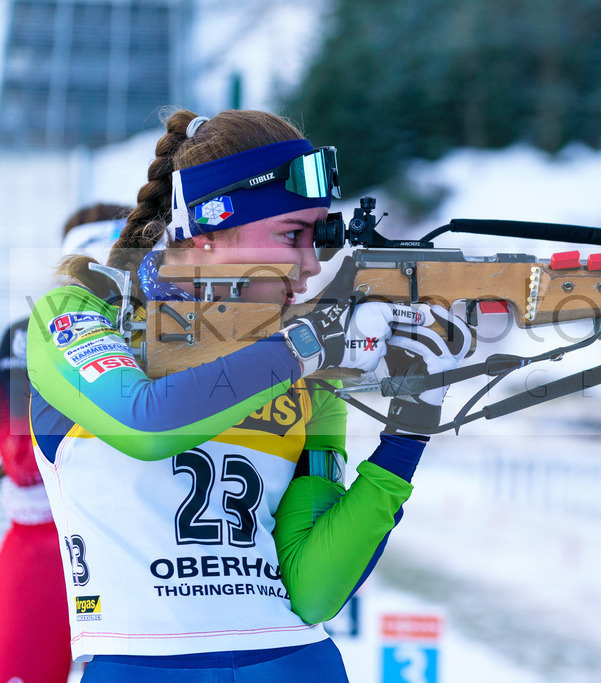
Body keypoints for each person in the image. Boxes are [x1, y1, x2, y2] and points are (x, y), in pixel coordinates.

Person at [27, 109, 470, 680]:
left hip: (295, 661)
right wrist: (311, 345)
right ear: (210, 232)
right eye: (293, 235)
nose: (312, 267)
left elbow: (313, 593)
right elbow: (148, 424)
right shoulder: (82, 313)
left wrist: (411, 423)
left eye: (319, 237)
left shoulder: (301, 359)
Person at [0, 203, 128, 683]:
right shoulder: (28, 334)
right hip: (46, 549)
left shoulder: (171, 332)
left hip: (140, 546)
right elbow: (22, 462)